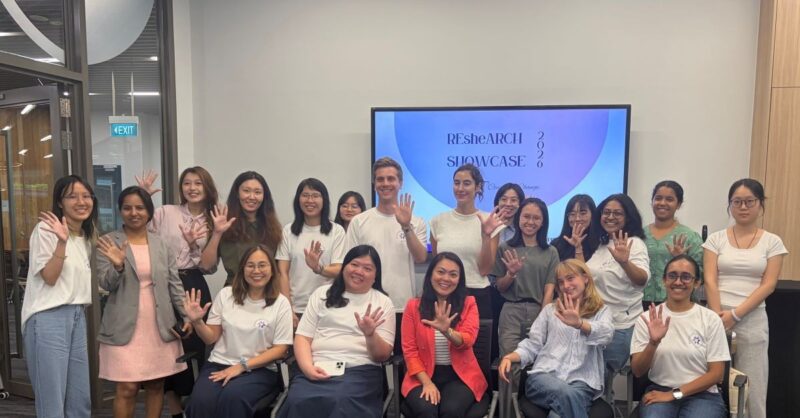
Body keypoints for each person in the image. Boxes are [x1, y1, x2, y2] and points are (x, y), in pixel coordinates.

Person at [96, 186, 191, 418]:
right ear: (120, 211)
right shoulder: (108, 242)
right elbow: (106, 284)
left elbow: (174, 284)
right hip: (123, 326)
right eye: (127, 208)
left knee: (156, 384)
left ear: (149, 212)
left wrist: (186, 315)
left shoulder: (161, 244)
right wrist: (118, 265)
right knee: (126, 388)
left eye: (139, 208)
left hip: (159, 325)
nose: (134, 213)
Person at [137, 167, 220, 417]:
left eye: (198, 183)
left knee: (193, 345)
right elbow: (140, 230)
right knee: (166, 344)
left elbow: (209, 267)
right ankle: (174, 411)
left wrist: (195, 245)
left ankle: (195, 405)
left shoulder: (214, 219)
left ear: (207, 187)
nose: (192, 188)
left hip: (193, 283)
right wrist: (143, 197)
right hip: (163, 283)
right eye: (187, 183)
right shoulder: (165, 212)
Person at [278, 245, 395, 418]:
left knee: (341, 401)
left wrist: (370, 335)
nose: (359, 271)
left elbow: (382, 356)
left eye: (367, 268)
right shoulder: (321, 294)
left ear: (375, 275)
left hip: (359, 371)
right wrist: (308, 368)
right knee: (298, 400)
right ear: (344, 267)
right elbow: (302, 337)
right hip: (318, 366)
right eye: (354, 264)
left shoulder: (383, 302)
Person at [703, 178, 787, 418]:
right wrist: (719, 316)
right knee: (712, 382)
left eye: (749, 201)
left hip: (752, 317)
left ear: (761, 204)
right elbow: (710, 279)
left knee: (753, 384)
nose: (743, 207)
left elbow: (768, 284)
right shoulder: (715, 239)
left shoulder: (773, 241)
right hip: (716, 317)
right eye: (737, 202)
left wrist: (736, 315)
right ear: (729, 205)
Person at [184, 245, 293, 418]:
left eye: (262, 265)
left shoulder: (281, 303)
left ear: (272, 269)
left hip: (259, 369)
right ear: (242, 269)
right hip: (219, 364)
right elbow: (210, 338)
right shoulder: (226, 295)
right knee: (201, 402)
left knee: (233, 398)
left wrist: (242, 366)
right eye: (250, 265)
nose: (256, 271)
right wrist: (197, 322)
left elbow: (280, 349)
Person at [21, 175, 98, 418]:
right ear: (60, 203)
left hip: (77, 315)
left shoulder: (84, 235)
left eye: (86, 196)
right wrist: (61, 243)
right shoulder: (46, 230)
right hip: (48, 318)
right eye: (72, 196)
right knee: (52, 401)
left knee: (79, 400)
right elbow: (50, 277)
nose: (81, 202)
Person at [498, 259, 614, 418]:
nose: (566, 285)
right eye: (561, 282)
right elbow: (533, 344)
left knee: (557, 414)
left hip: (582, 381)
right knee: (567, 395)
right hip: (543, 378)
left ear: (585, 278)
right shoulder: (550, 310)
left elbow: (606, 335)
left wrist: (580, 324)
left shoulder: (602, 311)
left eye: (570, 278)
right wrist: (510, 357)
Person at [631, 254, 730, 418]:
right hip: (660, 390)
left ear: (697, 283)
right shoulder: (647, 319)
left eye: (686, 277)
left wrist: (674, 394)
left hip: (703, 394)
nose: (678, 282)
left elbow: (716, 374)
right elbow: (637, 370)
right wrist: (653, 343)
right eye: (672, 276)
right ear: (664, 280)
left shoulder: (710, 319)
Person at [345, 157, 427, 349]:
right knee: (369, 359)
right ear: (374, 183)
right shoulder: (359, 221)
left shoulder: (416, 222)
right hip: (367, 305)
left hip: (402, 306)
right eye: (380, 179)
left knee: (401, 360)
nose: (385, 183)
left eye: (391, 179)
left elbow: (421, 257)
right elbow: (349, 267)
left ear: (400, 183)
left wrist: (406, 226)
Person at [492, 197, 559, 418]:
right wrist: (511, 274)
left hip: (540, 311)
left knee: (539, 364)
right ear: (518, 218)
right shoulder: (505, 248)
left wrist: (543, 318)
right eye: (526, 216)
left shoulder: (550, 252)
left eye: (536, 218)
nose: (530, 222)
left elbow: (550, 288)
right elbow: (500, 287)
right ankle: (507, 414)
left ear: (543, 221)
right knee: (509, 365)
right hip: (511, 310)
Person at [401, 252, 487, 417]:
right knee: (426, 409)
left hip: (460, 376)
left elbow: (468, 340)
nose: (446, 278)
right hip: (422, 374)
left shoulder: (469, 303)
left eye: (453, 274)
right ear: (430, 274)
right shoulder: (413, 306)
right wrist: (427, 383)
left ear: (459, 279)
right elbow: (410, 351)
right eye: (441, 272)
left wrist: (447, 331)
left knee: (451, 410)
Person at [585, 193, 650, 402]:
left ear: (628, 217)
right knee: (585, 378)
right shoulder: (603, 245)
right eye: (606, 212)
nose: (610, 217)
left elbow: (642, 280)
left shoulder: (634, 243)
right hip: (596, 322)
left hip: (620, 326)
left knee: (594, 380)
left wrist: (624, 262)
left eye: (617, 213)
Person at [430, 163, 504, 319]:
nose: (460, 188)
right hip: (445, 294)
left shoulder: (490, 221)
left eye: (467, 183)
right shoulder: (438, 221)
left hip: (477, 294)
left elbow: (485, 270)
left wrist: (485, 236)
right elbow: (437, 265)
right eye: (456, 183)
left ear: (478, 187)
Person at [277, 178, 346, 326]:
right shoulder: (288, 231)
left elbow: (339, 269)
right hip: (296, 308)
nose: (310, 200)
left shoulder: (336, 231)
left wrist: (318, 268)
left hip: (327, 306)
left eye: (315, 196)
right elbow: (282, 273)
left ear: (324, 200)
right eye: (305, 195)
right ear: (298, 199)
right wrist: (287, 309)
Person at [201, 171, 282, 285]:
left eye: (257, 192)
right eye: (246, 191)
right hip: (234, 289)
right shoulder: (224, 224)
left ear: (264, 196)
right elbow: (206, 265)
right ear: (237, 194)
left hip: (266, 290)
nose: (252, 197)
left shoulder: (273, 229)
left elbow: (280, 270)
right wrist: (217, 233)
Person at [643, 181, 703, 307]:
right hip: (640, 302)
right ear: (652, 202)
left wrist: (682, 259)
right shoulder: (640, 234)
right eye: (658, 198)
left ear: (678, 204)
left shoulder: (690, 237)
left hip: (676, 303)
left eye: (669, 199)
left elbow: (701, 274)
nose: (662, 203)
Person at [550, 194, 600, 262]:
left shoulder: (600, 244)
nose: (577, 219)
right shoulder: (555, 245)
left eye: (583, 213)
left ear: (593, 215)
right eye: (572, 214)